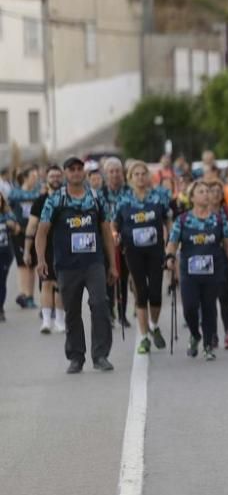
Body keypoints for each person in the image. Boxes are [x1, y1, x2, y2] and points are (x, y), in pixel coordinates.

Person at [35, 157, 118, 374]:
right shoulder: (56, 200)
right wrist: (41, 260)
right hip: (67, 266)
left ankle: (100, 355)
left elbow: (106, 232)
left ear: (84, 172)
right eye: (71, 169)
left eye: (79, 169)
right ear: (65, 173)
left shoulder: (96, 197)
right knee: (71, 311)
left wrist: (113, 265)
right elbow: (41, 232)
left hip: (94, 263)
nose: (76, 172)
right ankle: (76, 356)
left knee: (100, 304)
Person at [165, 180, 228, 361]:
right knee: (190, 308)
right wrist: (169, 257)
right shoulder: (183, 220)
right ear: (192, 197)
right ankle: (195, 334)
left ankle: (208, 345)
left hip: (213, 270)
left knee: (209, 307)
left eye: (208, 191)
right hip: (189, 272)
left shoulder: (218, 219)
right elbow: (172, 243)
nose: (206, 194)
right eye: (201, 192)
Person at [112, 161, 170, 355]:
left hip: (155, 250)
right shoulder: (124, 199)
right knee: (141, 291)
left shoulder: (158, 196)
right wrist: (115, 236)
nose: (140, 177)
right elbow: (114, 224)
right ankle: (144, 337)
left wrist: (169, 235)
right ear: (130, 178)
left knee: (155, 292)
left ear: (148, 176)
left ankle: (154, 326)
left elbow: (168, 217)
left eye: (143, 173)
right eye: (135, 174)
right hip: (132, 250)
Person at [24, 166, 66, 334]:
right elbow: (32, 226)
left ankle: (60, 321)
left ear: (62, 177)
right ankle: (47, 321)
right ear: (46, 179)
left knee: (61, 284)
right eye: (52, 176)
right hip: (45, 247)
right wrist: (27, 250)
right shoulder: (40, 200)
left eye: (58, 175)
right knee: (46, 283)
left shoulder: (67, 198)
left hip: (64, 247)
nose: (55, 178)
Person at [208, 180, 228, 349]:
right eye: (211, 191)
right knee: (209, 300)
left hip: (224, 261)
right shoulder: (200, 213)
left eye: (218, 191)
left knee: (223, 297)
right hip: (205, 261)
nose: (215, 194)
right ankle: (212, 334)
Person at [101, 157, 131, 328]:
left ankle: (122, 314)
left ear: (122, 173)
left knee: (123, 278)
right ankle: (109, 312)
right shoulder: (100, 193)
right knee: (108, 278)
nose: (114, 175)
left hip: (125, 239)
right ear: (106, 174)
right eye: (111, 172)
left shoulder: (129, 191)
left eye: (117, 171)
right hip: (106, 241)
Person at [10, 166, 41, 309]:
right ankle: (24, 294)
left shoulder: (38, 192)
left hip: (34, 232)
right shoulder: (15, 193)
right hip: (19, 232)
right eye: (33, 177)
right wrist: (13, 223)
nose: (36, 180)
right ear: (26, 177)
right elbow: (7, 209)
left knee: (33, 265)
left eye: (36, 177)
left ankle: (30, 295)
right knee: (23, 264)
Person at [0, 190, 21, 321]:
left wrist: (12, 225)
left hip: (4, 253)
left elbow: (17, 229)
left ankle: (0, 308)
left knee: (1, 281)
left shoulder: (7, 214)